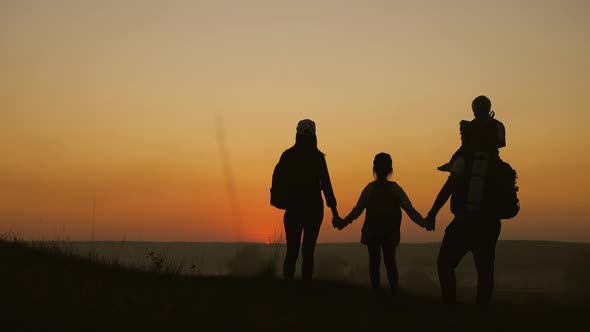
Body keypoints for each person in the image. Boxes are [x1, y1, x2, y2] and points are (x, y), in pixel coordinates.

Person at [425, 96, 507, 309]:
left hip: (464, 222)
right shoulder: (499, 167)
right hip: (490, 223)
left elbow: (449, 188)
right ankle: (482, 314)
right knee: (485, 270)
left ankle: (450, 308)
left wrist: (432, 213)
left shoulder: (463, 160)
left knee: (445, 263)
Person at [334, 153, 427, 295]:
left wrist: (343, 223)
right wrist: (424, 223)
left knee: (374, 263)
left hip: (372, 233)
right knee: (390, 263)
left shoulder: (369, 189)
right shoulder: (395, 189)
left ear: (374, 169)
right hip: (390, 233)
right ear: (390, 169)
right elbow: (410, 210)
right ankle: (394, 293)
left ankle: (376, 293)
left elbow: (357, 210)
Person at [271, 119, 339, 286]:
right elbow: (327, 185)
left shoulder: (288, 156)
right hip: (314, 209)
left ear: (297, 134)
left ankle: (289, 286)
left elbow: (278, 180)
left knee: (292, 251)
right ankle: (305, 288)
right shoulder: (317, 158)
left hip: (294, 209)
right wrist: (335, 213)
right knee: (308, 252)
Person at [437, 95, 506, 172]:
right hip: (492, 157)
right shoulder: (498, 124)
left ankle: (450, 164)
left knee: (456, 171)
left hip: (471, 156)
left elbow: (465, 144)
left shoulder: (470, 125)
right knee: (507, 171)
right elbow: (501, 143)